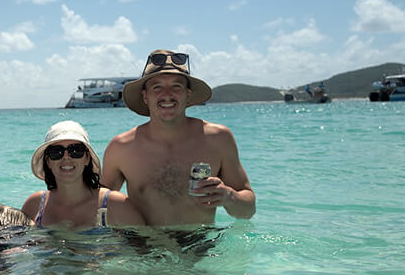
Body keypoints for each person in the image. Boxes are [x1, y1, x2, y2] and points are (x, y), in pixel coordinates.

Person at [101, 50, 255, 226]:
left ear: (187, 94)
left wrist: (228, 196)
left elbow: (248, 210)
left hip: (201, 240)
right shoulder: (121, 148)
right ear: (145, 96)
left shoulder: (218, 139)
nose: (167, 94)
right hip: (143, 242)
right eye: (157, 87)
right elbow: (97, 206)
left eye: (176, 86)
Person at [22, 121, 144, 230]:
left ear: (87, 158)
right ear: (48, 161)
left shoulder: (115, 204)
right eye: (56, 152)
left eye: (76, 150)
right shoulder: (35, 204)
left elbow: (143, 246)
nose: (66, 157)